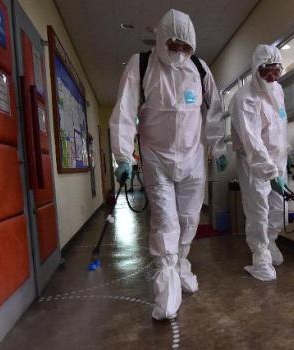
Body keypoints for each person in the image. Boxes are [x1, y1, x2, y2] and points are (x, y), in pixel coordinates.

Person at [109, 9, 228, 320]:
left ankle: (181, 265)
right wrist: (122, 156)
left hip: (192, 158)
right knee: (166, 223)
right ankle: (166, 294)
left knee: (189, 221)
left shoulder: (200, 69)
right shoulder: (142, 65)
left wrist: (218, 145)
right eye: (174, 45)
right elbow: (124, 111)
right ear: (161, 40)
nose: (179, 53)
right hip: (156, 157)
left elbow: (214, 113)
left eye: (185, 47)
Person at [230, 44, 291, 281]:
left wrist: (288, 151)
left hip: (279, 161)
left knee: (279, 209)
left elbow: (281, 123)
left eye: (277, 70)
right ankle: (260, 257)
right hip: (254, 165)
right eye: (267, 71)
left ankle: (271, 242)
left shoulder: (278, 90)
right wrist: (269, 171)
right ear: (256, 69)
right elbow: (252, 140)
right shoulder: (244, 98)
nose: (272, 76)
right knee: (259, 211)